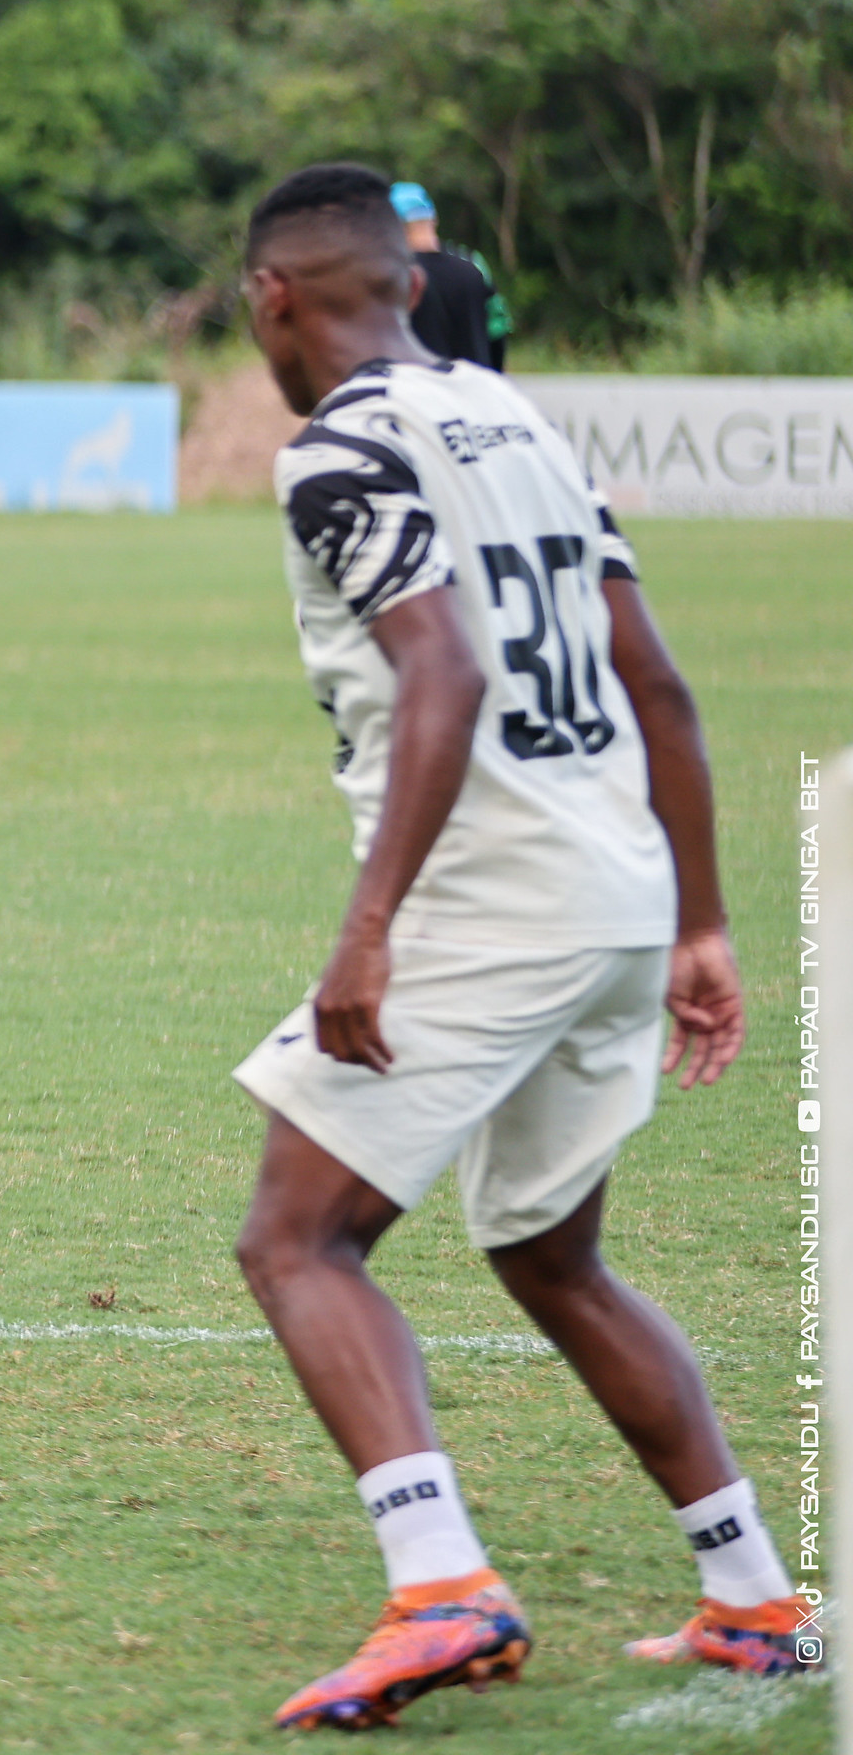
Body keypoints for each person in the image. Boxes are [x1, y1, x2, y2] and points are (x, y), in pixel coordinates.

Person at [229, 162, 819, 1731]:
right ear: (404, 283)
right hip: (617, 887)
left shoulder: (339, 446)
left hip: (492, 900)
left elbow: (443, 676)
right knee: (552, 1255)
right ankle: (757, 1599)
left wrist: (368, 934)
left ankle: (442, 1588)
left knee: (296, 1240)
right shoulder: (520, 422)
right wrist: (699, 919)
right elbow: (659, 681)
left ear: (272, 298)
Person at [390, 181, 512, 371]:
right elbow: (498, 328)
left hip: (417, 383)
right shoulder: (474, 263)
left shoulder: (394, 273)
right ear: (434, 219)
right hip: (473, 382)